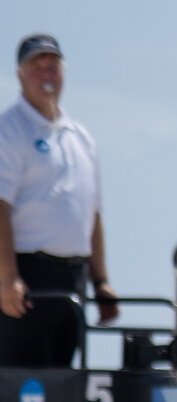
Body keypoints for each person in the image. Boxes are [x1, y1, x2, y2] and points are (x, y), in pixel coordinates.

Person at [0, 35, 118, 368]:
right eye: (36, 67)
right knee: (24, 392)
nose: (46, 74)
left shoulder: (81, 138)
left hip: (72, 281)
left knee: (63, 389)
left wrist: (102, 282)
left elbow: (91, 214)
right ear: (21, 74)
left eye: (52, 66)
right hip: (26, 280)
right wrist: (7, 279)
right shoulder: (10, 130)